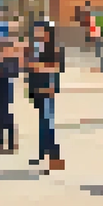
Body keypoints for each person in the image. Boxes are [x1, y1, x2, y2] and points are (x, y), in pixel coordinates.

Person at [27, 20, 65, 172]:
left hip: (48, 88)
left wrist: (38, 67)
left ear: (47, 33)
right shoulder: (34, 48)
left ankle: (53, 155)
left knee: (47, 122)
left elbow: (56, 68)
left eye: (39, 31)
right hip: (36, 87)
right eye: (35, 31)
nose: (37, 34)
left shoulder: (55, 48)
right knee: (42, 121)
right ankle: (42, 154)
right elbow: (28, 65)